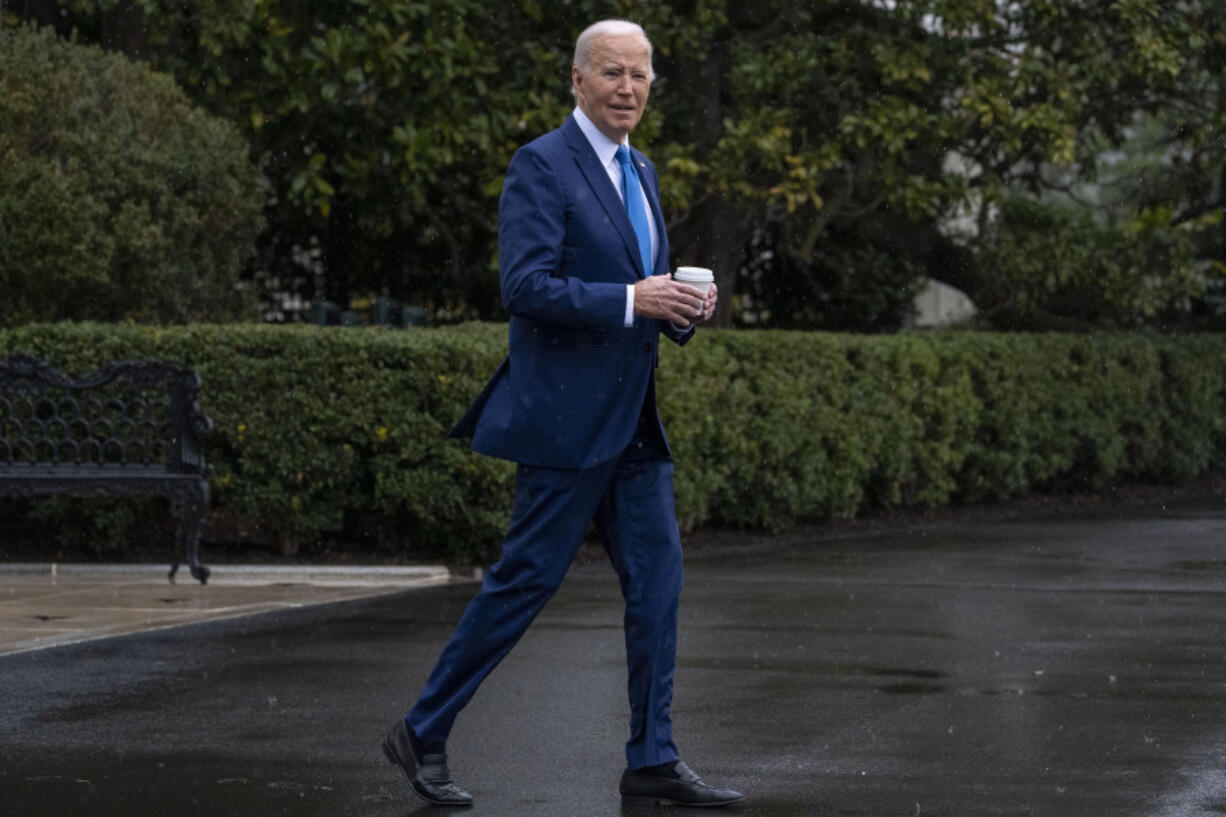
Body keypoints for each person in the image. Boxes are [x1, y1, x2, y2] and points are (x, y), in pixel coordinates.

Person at [382, 18, 743, 809]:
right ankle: (423, 728)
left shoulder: (641, 168)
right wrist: (632, 298)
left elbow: (647, 289)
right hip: (567, 423)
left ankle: (653, 754)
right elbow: (525, 286)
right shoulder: (541, 164)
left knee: (658, 584)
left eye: (641, 75)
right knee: (525, 581)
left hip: (635, 423)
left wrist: (683, 305)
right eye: (612, 72)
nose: (628, 88)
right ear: (577, 80)